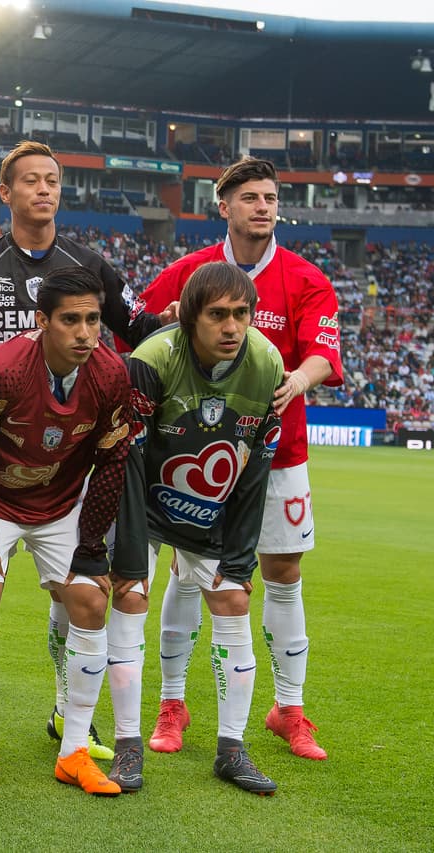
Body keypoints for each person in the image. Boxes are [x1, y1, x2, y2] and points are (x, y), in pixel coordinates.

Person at [0, 139, 169, 760]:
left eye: (53, 180)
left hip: (66, 462)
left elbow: (135, 326)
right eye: (30, 181)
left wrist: (180, 326)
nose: (44, 190)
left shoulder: (90, 267)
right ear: (5, 194)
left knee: (80, 594)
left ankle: (71, 712)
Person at [134, 157, 342, 761]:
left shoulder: (305, 278)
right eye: (249, 197)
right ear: (222, 206)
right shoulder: (188, 273)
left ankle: (290, 708)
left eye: (270, 197)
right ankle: (173, 704)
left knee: (282, 572)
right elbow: (140, 330)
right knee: (184, 569)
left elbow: (323, 352)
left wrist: (296, 380)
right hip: (190, 453)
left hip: (276, 452)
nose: (263, 206)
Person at [0, 266, 131, 797]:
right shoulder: (1, 371)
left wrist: (92, 549)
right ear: (40, 320)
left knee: (92, 602)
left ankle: (73, 749)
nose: (84, 333)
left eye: (93, 320)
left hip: (60, 506)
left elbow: (113, 460)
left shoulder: (110, 374)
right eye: (70, 320)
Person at [113, 261, 284, 794]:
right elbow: (128, 462)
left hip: (208, 504)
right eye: (217, 315)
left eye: (242, 314)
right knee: (130, 596)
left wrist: (239, 561)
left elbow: (255, 473)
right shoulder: (153, 359)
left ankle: (231, 750)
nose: (232, 327)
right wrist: (132, 555)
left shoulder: (266, 363)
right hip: (143, 497)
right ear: (190, 318)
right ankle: (127, 747)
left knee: (233, 599)